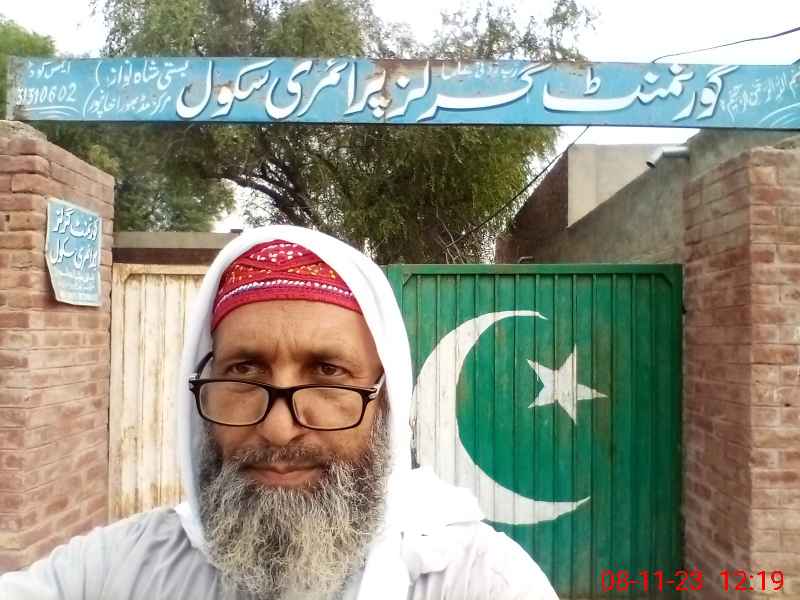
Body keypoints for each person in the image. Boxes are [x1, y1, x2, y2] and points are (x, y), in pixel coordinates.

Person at [0, 226, 559, 600]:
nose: (278, 427)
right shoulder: (120, 571)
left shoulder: (479, 580)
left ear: (386, 401)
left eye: (327, 373)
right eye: (244, 371)